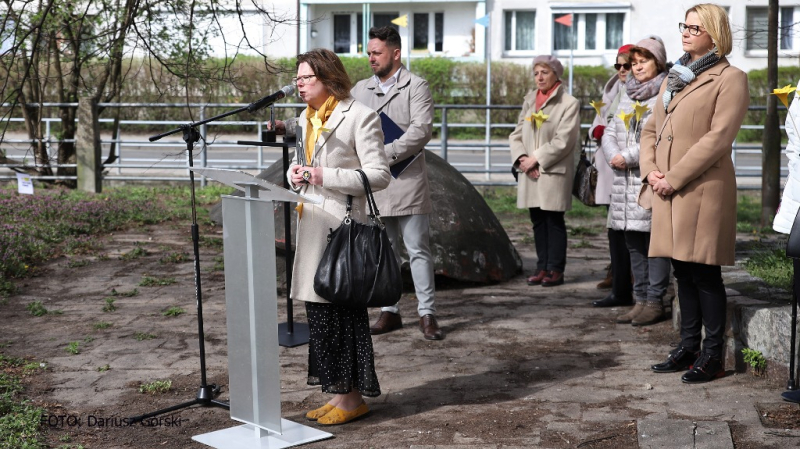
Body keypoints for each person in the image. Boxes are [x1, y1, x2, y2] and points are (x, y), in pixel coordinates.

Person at [642, 3, 749, 383]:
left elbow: (718, 138)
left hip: (702, 188)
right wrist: (651, 171)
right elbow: (651, 128)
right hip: (667, 188)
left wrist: (674, 177)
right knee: (681, 269)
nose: (686, 33)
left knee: (704, 272)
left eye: (694, 28)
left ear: (714, 35)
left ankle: (713, 354)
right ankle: (688, 346)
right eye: (683, 26)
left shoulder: (729, 77)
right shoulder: (676, 75)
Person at [286, 48, 391, 425]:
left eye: (305, 78)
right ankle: (341, 393)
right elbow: (302, 164)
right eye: (297, 78)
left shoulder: (359, 116)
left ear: (328, 78)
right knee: (320, 313)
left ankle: (353, 399)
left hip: (342, 231)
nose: (298, 84)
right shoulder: (305, 117)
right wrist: (295, 174)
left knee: (342, 313)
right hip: (312, 223)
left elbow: (379, 175)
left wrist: (321, 176)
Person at [351, 26, 442, 341]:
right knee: (384, 252)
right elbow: (338, 119)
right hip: (377, 185)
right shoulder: (360, 89)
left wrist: (382, 154)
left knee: (418, 249)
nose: (371, 58)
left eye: (376, 52)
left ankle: (426, 312)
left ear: (396, 53)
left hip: (408, 181)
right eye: (369, 53)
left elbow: (421, 131)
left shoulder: (417, 86)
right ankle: (389, 310)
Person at [600, 36, 671, 326]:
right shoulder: (627, 93)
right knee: (632, 243)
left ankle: (655, 301)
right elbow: (610, 129)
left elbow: (656, 137)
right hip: (622, 180)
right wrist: (612, 154)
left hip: (645, 177)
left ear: (658, 63)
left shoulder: (665, 93)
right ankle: (639, 299)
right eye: (635, 63)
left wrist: (627, 157)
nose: (638, 68)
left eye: (645, 62)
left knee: (653, 244)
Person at [510, 55, 580, 287]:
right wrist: (521, 159)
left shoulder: (569, 103)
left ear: (556, 74)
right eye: (536, 72)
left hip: (553, 171)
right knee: (537, 221)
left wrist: (536, 160)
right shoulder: (530, 100)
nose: (539, 77)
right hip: (529, 171)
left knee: (553, 220)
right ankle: (542, 267)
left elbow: (564, 140)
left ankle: (556, 269)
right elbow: (517, 133)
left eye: (545, 72)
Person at [590, 44, 635, 305]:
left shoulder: (637, 90)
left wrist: (607, 134)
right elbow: (600, 121)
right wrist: (597, 132)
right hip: (609, 163)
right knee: (614, 228)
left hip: (625, 163)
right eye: (617, 65)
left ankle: (626, 283)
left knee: (627, 231)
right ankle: (618, 276)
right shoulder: (612, 88)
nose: (621, 70)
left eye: (625, 65)